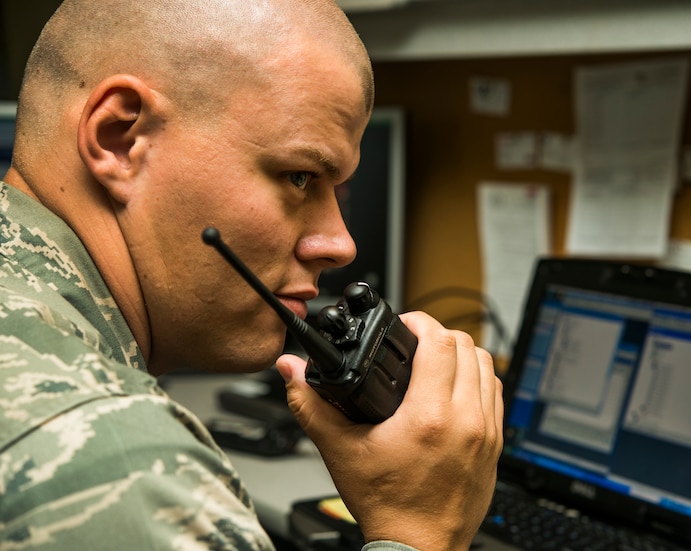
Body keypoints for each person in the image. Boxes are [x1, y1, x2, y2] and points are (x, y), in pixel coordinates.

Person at [0, 0, 504, 550]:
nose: (340, 245)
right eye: (299, 176)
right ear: (120, 138)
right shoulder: (117, 461)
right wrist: (418, 530)